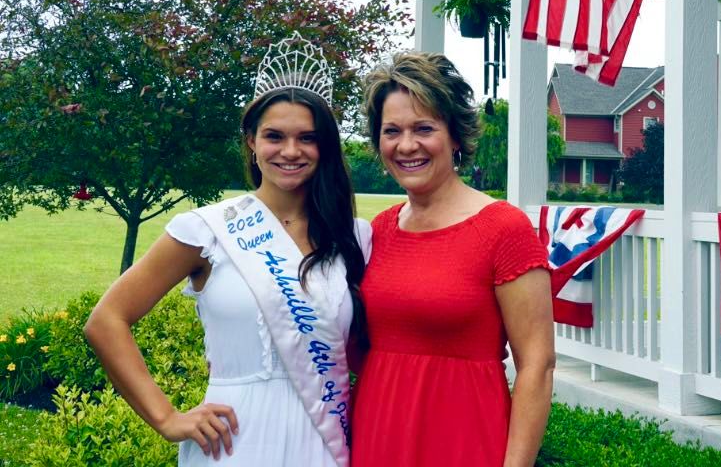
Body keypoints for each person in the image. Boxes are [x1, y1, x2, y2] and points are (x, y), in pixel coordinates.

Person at [85, 33, 370, 467]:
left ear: (325, 147)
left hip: (323, 439)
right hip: (232, 440)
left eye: (307, 138)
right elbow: (106, 320)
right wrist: (166, 417)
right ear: (252, 142)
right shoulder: (206, 230)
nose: (290, 151)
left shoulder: (353, 237)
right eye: (274, 136)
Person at [351, 51, 555, 467]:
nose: (407, 145)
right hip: (378, 437)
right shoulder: (380, 231)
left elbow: (538, 364)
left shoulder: (503, 229)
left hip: (465, 440)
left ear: (455, 136)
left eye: (424, 128)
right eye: (392, 131)